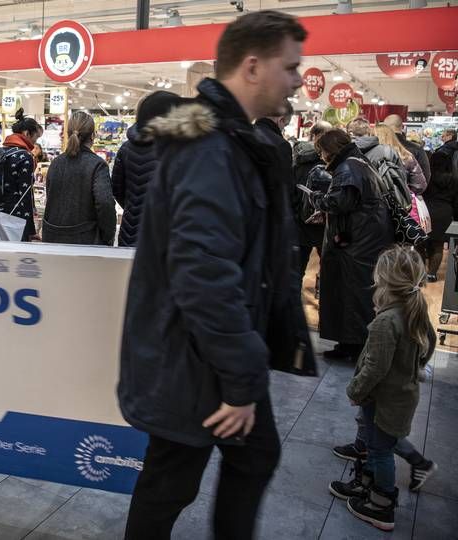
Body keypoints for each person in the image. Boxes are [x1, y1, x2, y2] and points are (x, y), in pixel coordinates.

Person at [119, 11, 312, 539]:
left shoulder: (230, 141)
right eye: (290, 67)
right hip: (195, 360)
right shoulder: (210, 148)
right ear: (253, 66)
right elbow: (203, 276)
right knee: (171, 484)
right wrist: (242, 378)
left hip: (205, 354)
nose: (298, 80)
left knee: (207, 472)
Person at [328, 246, 435, 531]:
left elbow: (375, 367)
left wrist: (354, 391)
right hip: (399, 395)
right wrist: (415, 366)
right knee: (377, 445)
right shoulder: (413, 308)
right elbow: (431, 342)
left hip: (384, 398)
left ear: (383, 279)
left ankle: (382, 505)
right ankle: (366, 486)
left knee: (380, 450)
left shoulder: (386, 322)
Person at [310, 130, 395, 362]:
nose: (321, 156)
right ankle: (350, 344)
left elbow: (339, 202)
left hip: (354, 246)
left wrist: (316, 198)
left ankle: (352, 346)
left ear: (331, 149)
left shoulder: (347, 167)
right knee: (356, 296)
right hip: (364, 242)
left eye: (322, 150)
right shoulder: (359, 162)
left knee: (349, 296)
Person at [111, 91, 184, 248]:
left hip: (130, 230)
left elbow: (117, 189)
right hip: (162, 234)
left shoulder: (125, 149)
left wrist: (133, 206)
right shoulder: (174, 149)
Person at [41, 111, 116, 245]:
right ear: (93, 136)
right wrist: (108, 236)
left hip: (52, 239)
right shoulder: (97, 165)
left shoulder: (56, 163)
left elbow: (51, 198)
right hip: (85, 242)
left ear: (68, 134)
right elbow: (105, 203)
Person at [293, 122, 334, 277]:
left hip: (302, 222)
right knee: (329, 269)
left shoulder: (299, 158)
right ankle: (323, 295)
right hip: (327, 223)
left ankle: (296, 299)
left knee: (297, 271)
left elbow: (292, 190)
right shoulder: (334, 159)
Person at [0, 109, 42, 241]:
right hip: (16, 219)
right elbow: (25, 194)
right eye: (35, 137)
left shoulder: (2, 152)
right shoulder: (25, 156)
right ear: (26, 133)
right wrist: (30, 229)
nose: (35, 143)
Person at [424, 128, 458, 280]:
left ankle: (419, 274)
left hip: (426, 210)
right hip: (445, 211)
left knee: (422, 243)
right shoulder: (453, 179)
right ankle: (432, 274)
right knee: (438, 245)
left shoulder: (427, 177)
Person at [375, 123, 426, 194]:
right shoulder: (406, 156)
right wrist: (406, 194)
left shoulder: (369, 156)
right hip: (402, 202)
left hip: (376, 202)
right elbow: (419, 185)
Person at [384, 114, 430, 183]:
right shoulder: (416, 148)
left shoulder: (381, 147)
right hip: (410, 191)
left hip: (386, 191)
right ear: (402, 126)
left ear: (385, 128)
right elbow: (426, 175)